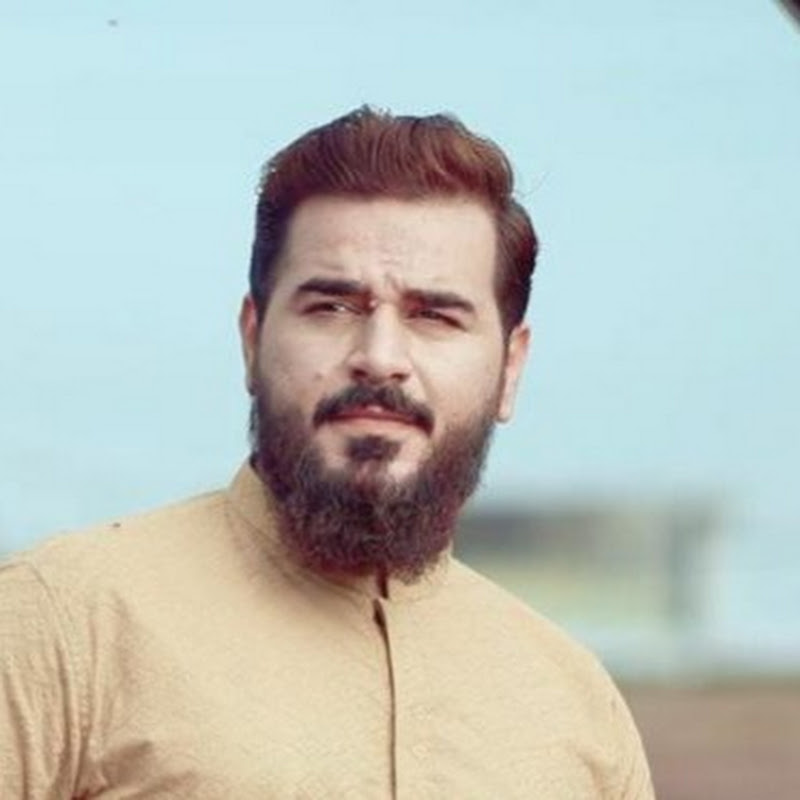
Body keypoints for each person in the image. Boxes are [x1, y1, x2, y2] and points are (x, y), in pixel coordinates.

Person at [0, 107, 654, 798]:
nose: (379, 357)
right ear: (252, 339)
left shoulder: (577, 707)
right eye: (332, 307)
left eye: (435, 315)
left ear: (510, 368)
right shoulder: (62, 623)